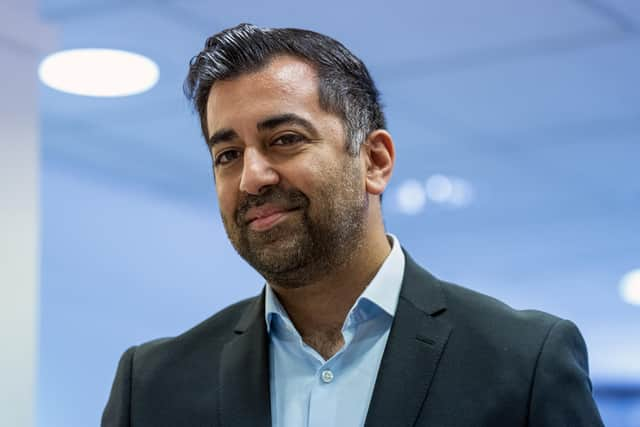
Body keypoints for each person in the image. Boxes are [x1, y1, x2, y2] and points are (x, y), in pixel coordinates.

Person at [102, 24, 604, 426]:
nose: (251, 177)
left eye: (285, 139)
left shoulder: (523, 362)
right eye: (227, 154)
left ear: (375, 160)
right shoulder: (150, 386)